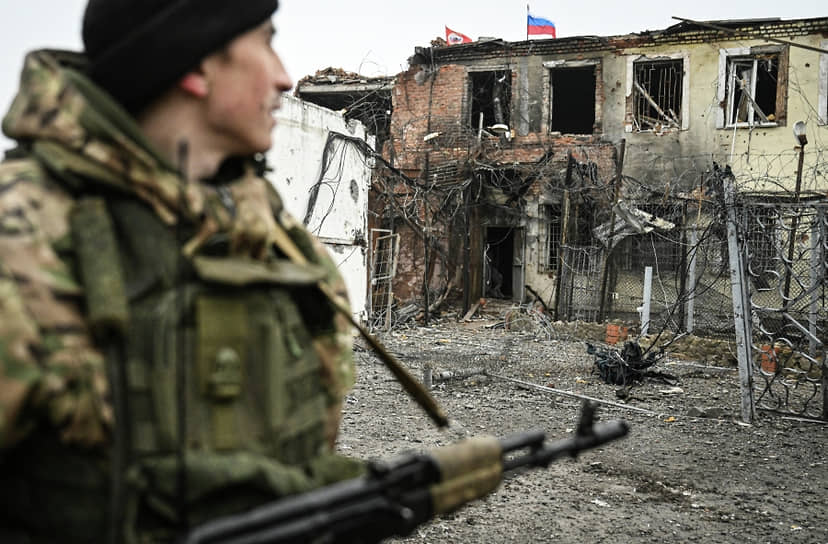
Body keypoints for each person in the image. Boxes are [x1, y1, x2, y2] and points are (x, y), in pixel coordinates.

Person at [0, 1, 363, 542]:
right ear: (196, 67)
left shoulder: (271, 232)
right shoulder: (22, 240)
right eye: (265, 41)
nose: (286, 77)